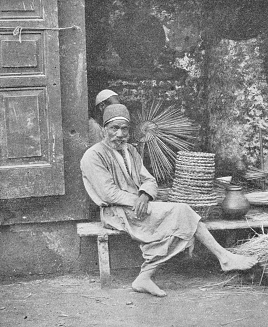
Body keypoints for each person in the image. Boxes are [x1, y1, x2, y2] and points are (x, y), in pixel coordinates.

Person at [80, 104, 257, 297]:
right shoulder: (93, 155)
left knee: (181, 217)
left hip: (138, 207)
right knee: (181, 214)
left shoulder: (130, 151)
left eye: (125, 129)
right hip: (116, 212)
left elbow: (149, 180)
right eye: (114, 128)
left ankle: (145, 278)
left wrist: (145, 195)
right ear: (104, 129)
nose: (120, 134)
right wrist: (137, 201)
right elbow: (108, 194)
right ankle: (224, 257)